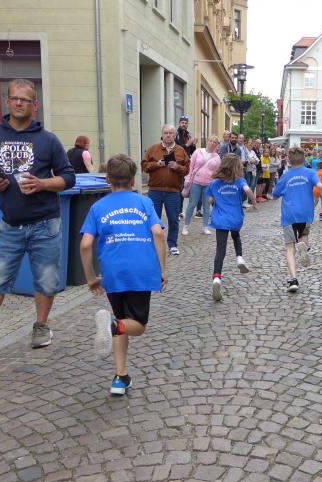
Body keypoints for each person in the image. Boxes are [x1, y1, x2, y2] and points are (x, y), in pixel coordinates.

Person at [0, 79, 76, 354]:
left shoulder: (48, 140)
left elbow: (68, 177)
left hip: (46, 224)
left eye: (25, 99)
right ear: (7, 102)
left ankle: (41, 325)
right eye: (15, 98)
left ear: (35, 105)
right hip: (10, 224)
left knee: (46, 279)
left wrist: (42, 184)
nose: (19, 103)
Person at [79, 154, 167, 395]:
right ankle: (111, 325)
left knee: (121, 322)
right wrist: (163, 268)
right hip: (141, 270)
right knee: (136, 325)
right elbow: (158, 233)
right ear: (134, 179)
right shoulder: (144, 203)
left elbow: (85, 244)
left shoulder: (98, 207)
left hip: (112, 271)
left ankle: (120, 376)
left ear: (108, 179)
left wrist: (90, 278)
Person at [272, 146, 322, 293]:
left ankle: (293, 280)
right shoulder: (310, 173)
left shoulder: (286, 176)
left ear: (289, 160)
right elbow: (320, 186)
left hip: (289, 215)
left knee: (290, 247)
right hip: (306, 212)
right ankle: (303, 245)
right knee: (304, 235)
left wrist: (280, 192)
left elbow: (275, 195)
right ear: (304, 159)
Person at [207, 154, 258, 301]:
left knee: (220, 250)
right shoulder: (240, 181)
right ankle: (239, 258)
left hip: (220, 219)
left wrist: (216, 201)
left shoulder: (215, 183)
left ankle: (217, 278)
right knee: (236, 237)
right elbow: (248, 190)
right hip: (235, 218)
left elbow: (210, 200)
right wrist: (254, 202)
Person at [141, 124, 190, 256]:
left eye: (171, 133)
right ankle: (153, 244)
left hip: (173, 191)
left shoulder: (180, 150)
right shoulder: (153, 149)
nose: (168, 135)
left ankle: (172, 244)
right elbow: (144, 166)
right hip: (155, 191)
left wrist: (177, 167)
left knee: (173, 219)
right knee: (153, 219)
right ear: (162, 135)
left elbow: (187, 169)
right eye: (166, 133)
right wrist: (156, 164)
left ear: (175, 135)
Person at [182, 136, 221, 235]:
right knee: (192, 204)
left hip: (208, 184)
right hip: (196, 182)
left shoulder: (217, 157)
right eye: (211, 141)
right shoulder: (198, 152)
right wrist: (187, 179)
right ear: (207, 141)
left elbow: (217, 172)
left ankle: (205, 227)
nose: (212, 143)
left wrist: (215, 184)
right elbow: (190, 167)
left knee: (207, 206)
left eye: (215, 142)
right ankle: (185, 226)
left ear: (216, 145)